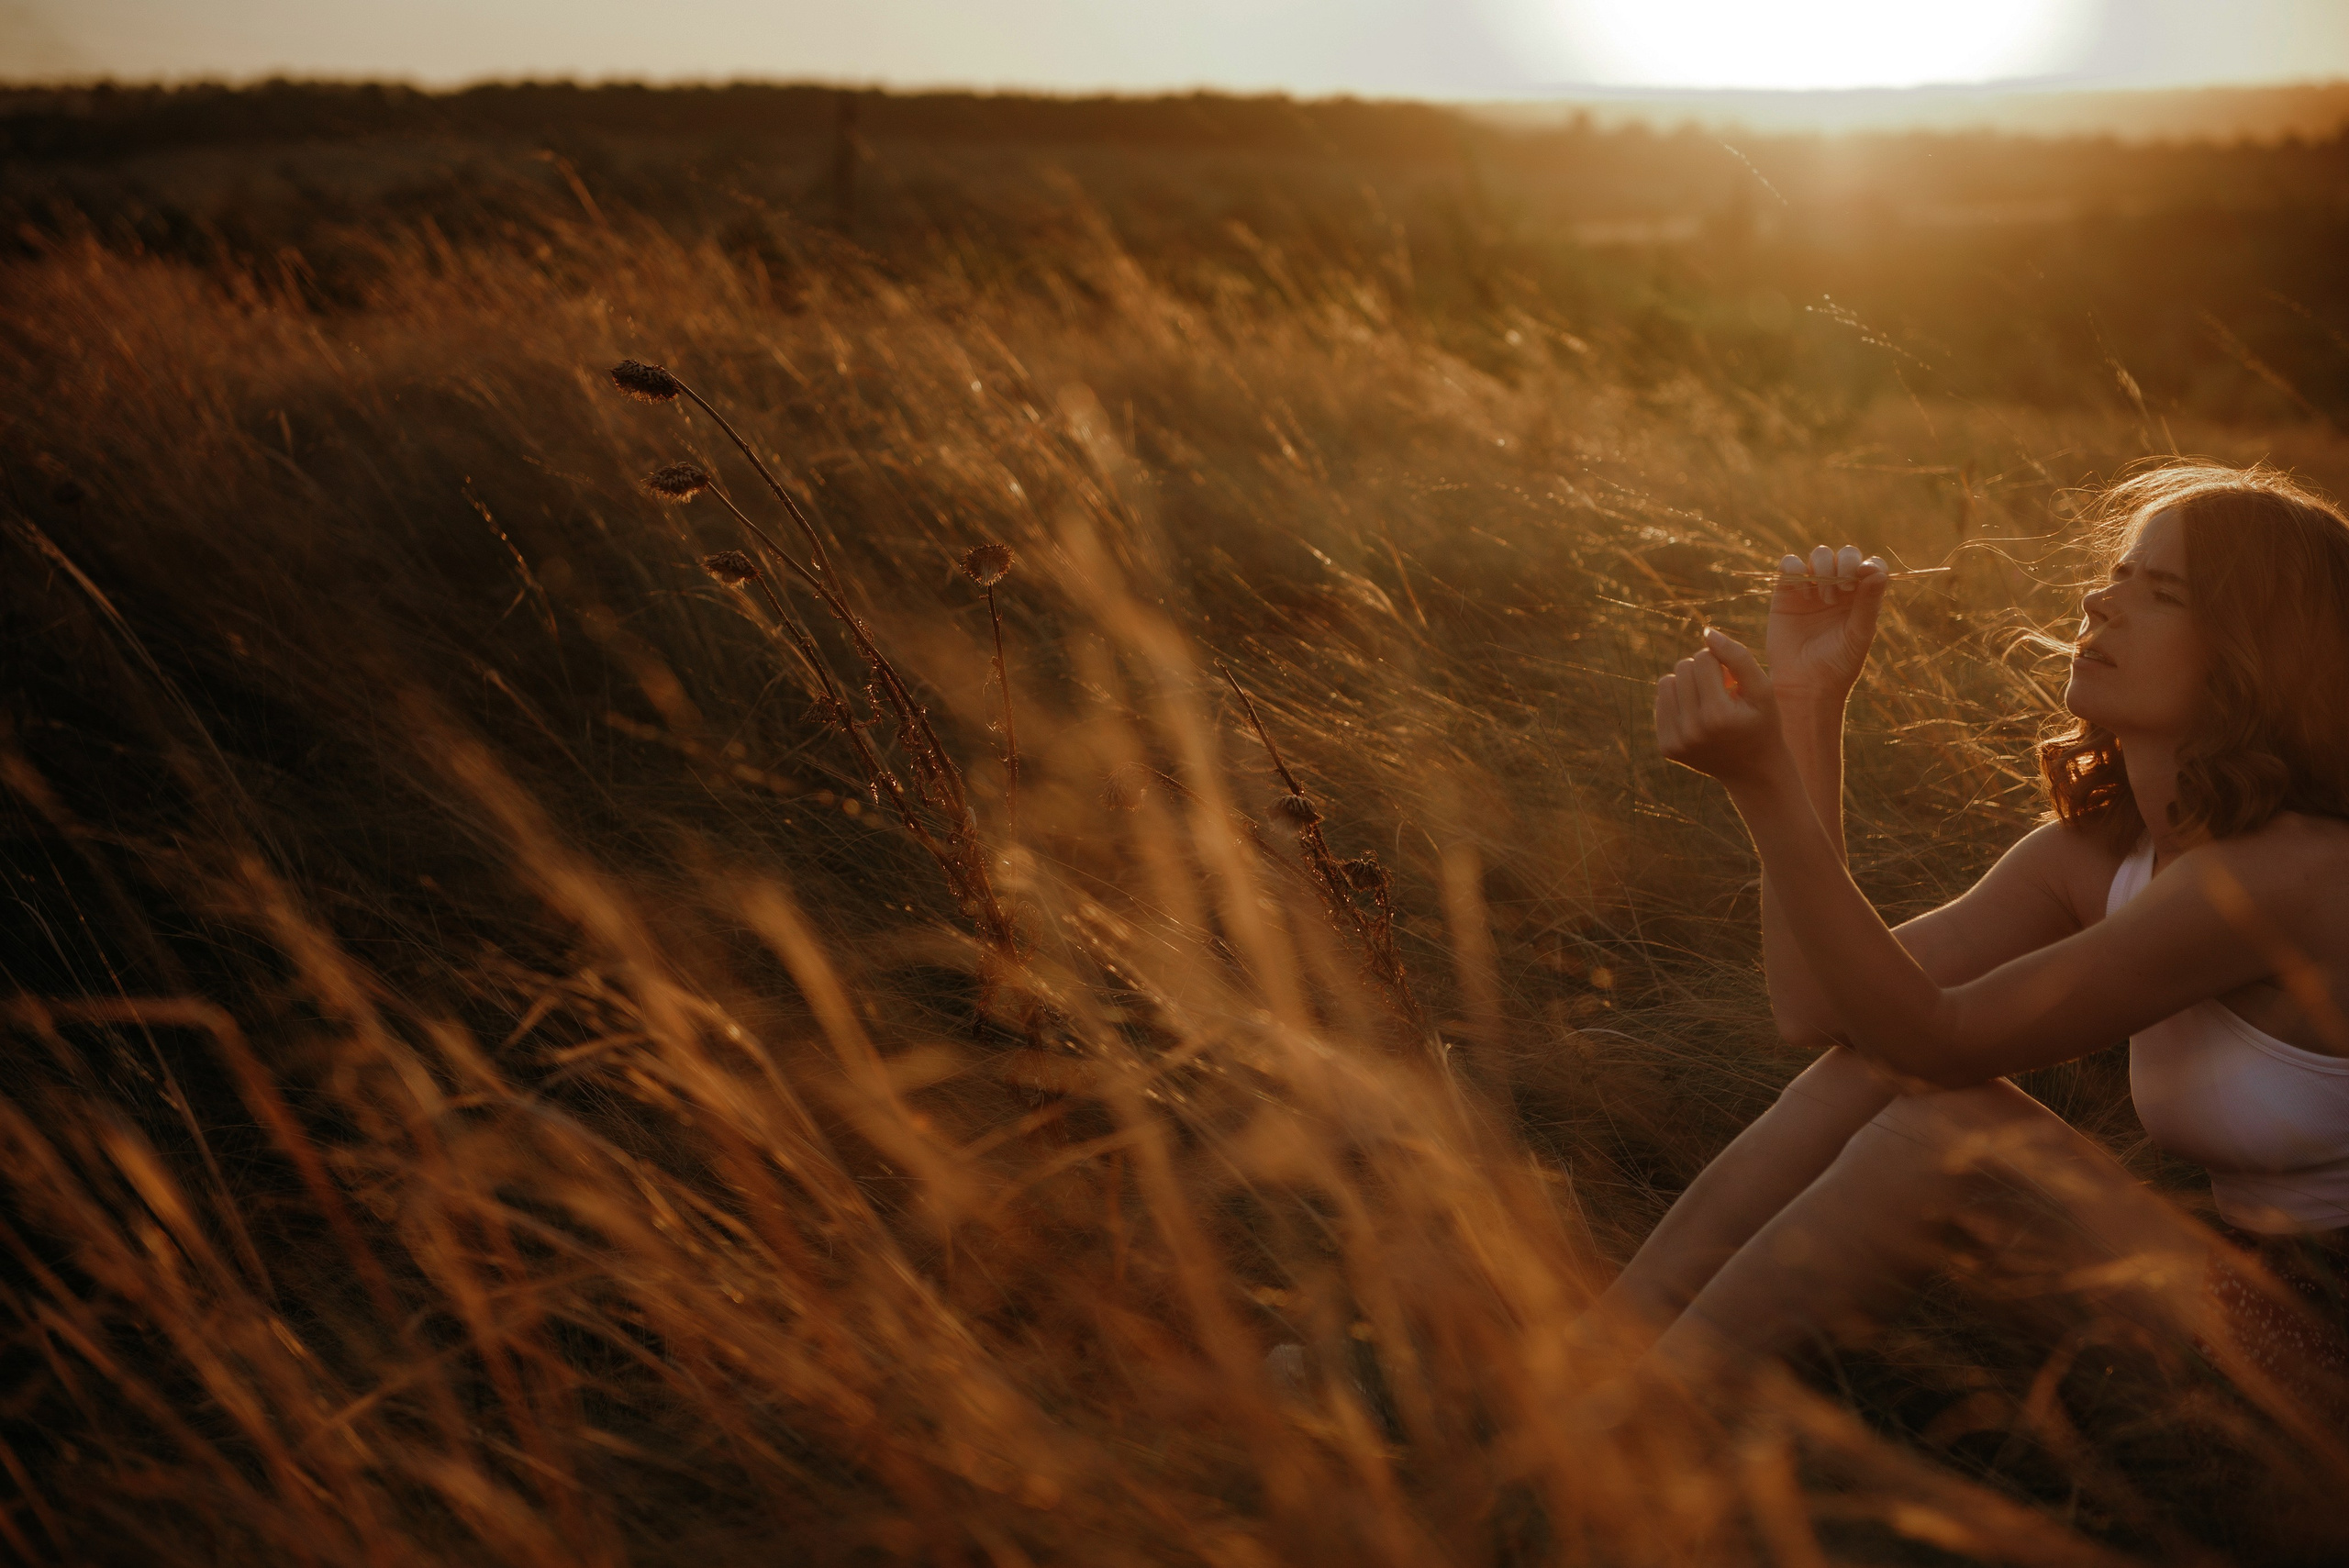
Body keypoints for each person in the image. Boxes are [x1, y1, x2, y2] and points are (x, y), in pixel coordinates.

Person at [1605, 462, 2349, 1410]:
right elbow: (1822, 1010)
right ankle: (1584, 1372)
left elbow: (1935, 1039)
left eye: (2157, 592)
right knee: (1865, 1071)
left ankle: (1605, 1442)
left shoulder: (2292, 872)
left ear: (2258, 656)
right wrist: (1804, 703)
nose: (2098, 600)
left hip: (2322, 1344)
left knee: (1947, 1124)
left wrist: (1763, 791)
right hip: (2230, 1288)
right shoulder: (2095, 855)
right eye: (2115, 574)